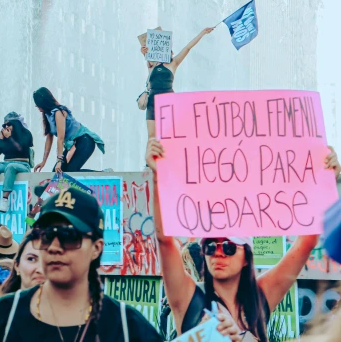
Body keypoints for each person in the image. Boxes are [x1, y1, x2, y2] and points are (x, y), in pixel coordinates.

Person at [145, 138, 340, 342]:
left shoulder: (259, 298)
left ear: (246, 256)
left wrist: (326, 180)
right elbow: (164, 240)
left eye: (229, 247)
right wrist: (159, 175)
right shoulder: (189, 299)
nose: (219, 252)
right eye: (211, 246)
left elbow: (306, 242)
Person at [0, 185, 163, 341]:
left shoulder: (125, 326)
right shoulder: (5, 316)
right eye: (47, 235)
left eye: (69, 236)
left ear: (96, 248)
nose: (55, 247)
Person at [141, 28, 215, 137]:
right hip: (152, 102)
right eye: (169, 50)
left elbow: (188, 48)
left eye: (170, 51)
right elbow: (146, 53)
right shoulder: (152, 64)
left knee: (168, 136)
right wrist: (144, 51)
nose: (172, 53)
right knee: (152, 139)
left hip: (168, 101)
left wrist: (202, 33)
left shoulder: (173, 63)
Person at [33, 87, 104, 173]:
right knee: (57, 173)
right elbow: (49, 139)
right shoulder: (48, 115)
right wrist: (43, 162)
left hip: (85, 140)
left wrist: (59, 161)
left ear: (44, 103)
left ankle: (104, 174)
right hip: (73, 144)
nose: (37, 107)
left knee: (71, 171)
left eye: (38, 105)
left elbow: (60, 138)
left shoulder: (59, 112)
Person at [0, 113, 34, 215]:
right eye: (4, 125)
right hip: (5, 163)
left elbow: (20, 148)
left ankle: (5, 199)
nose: (6, 127)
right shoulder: (5, 136)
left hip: (22, 164)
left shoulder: (25, 134)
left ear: (16, 124)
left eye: (9, 124)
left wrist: (10, 138)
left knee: (11, 167)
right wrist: (0, 140)